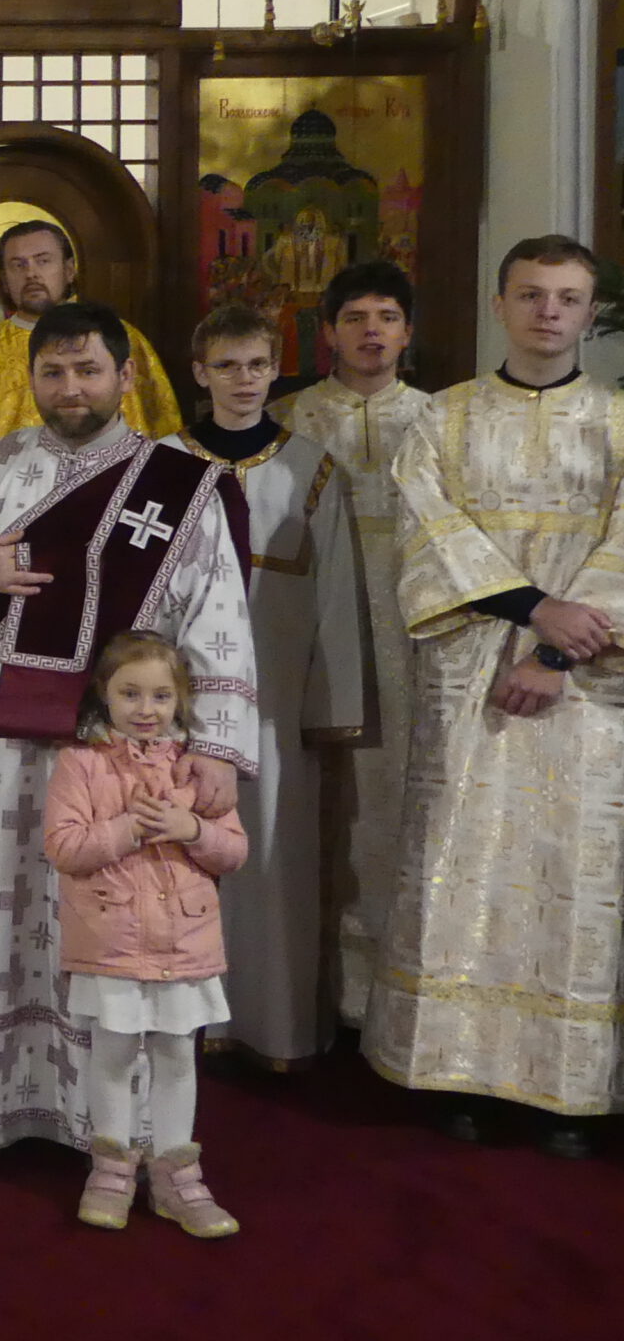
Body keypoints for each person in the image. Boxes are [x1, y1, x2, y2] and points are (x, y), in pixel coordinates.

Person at [0, 301, 255, 1150]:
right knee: (2, 906)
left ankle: (111, 1125)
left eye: (88, 370)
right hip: (2, 744)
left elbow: (219, 618)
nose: (70, 388)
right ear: (32, 379)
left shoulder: (178, 484)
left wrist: (216, 749)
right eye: (52, 372)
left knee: (110, 915)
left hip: (129, 745)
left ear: (125, 376)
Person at [364, 236, 624, 1157]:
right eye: (532, 294)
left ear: (588, 311)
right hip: (472, 667)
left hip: (587, 682)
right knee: (459, 862)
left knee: (573, 872)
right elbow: (428, 530)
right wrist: (535, 611)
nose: (549, 311)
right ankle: (457, 1069)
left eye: (568, 297)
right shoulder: (445, 419)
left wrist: (555, 651)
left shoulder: (618, 420)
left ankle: (565, 1088)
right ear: (499, 303)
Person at [166, 305, 363, 1065]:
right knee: (175, 847)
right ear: (200, 373)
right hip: (176, 695)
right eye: (226, 366)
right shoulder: (161, 463)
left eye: (256, 365)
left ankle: (270, 1025)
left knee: (274, 855)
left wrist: (331, 705)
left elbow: (336, 595)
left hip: (277, 696)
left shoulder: (311, 467)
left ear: (276, 370)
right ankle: (183, 1021)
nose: (243, 380)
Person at [46, 631, 248, 1237]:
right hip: (110, 939)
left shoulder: (198, 768)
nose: (145, 708)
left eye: (161, 695)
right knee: (112, 1053)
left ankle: (175, 1178)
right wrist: (129, 828)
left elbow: (234, 852)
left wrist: (193, 829)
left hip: (185, 942)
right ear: (104, 694)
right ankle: (110, 1172)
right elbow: (64, 847)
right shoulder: (79, 763)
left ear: (180, 699)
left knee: (177, 1055)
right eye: (130, 693)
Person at [269, 260, 427, 1022]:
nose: (372, 332)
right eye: (356, 318)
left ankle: (386, 997)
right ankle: (310, 990)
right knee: (310, 800)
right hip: (309, 635)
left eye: (387, 318)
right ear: (328, 332)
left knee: (395, 801)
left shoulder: (439, 419)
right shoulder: (285, 418)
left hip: (412, 640)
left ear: (407, 332)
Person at [0, 219, 179, 455]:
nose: (31, 274)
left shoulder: (123, 338)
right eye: (18, 265)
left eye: (43, 261)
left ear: (69, 270)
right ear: (5, 280)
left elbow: (163, 426)